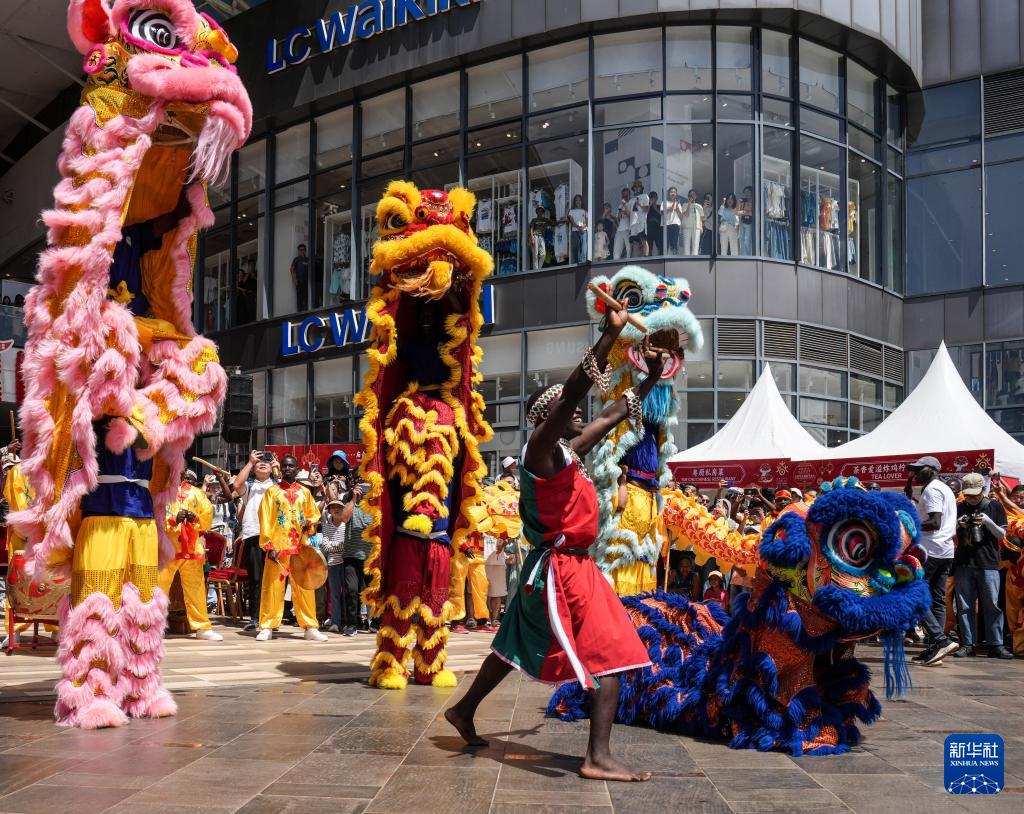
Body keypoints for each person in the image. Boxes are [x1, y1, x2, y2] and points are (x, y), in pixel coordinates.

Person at [444, 299, 661, 783]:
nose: (580, 412)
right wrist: (610, 334)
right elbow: (576, 392)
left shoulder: (568, 452)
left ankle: (462, 710)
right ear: (549, 418)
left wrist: (650, 376)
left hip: (562, 568)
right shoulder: (539, 452)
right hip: (561, 571)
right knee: (613, 650)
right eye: (568, 409)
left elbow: (615, 413)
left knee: (513, 644)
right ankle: (597, 757)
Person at [255, 456, 328, 642]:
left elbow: (314, 515)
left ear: (297, 469)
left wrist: (309, 522)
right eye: (284, 466)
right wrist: (268, 545)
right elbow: (265, 519)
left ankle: (310, 626)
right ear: (280, 469)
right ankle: (267, 626)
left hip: (301, 548)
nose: (287, 468)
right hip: (278, 548)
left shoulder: (305, 492)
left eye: (291, 466)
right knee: (273, 587)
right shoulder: (272, 492)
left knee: (304, 587)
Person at [906, 456, 960, 666]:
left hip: (930, 550)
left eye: (919, 469)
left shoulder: (932, 489)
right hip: (945, 551)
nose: (915, 473)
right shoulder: (944, 488)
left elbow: (935, 522)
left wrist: (909, 526)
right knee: (937, 599)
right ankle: (937, 649)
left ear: (932, 470)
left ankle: (940, 640)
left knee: (913, 594)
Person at [953, 473, 1013, 659]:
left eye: (975, 495)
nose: (971, 499)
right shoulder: (958, 507)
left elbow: (1002, 535)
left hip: (988, 562)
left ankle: (996, 644)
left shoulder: (995, 506)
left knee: (992, 605)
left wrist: (987, 522)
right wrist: (958, 525)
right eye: (968, 495)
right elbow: (948, 532)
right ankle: (968, 644)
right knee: (964, 606)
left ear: (983, 491)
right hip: (964, 562)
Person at [158, 469, 222, 641]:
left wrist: (195, 518)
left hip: (192, 548)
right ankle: (154, 626)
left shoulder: (198, 494)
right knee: (159, 588)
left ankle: (202, 627)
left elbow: (207, 517)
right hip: (168, 548)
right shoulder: (163, 492)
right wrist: (173, 520)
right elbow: (156, 515)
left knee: (196, 589)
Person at [108, 188, 190, 317]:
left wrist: (190, 181)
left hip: (138, 315)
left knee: (166, 327)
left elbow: (177, 215)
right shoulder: (86, 244)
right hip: (105, 318)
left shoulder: (130, 235)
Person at [233, 450, 277, 631]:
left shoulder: (277, 486)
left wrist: (278, 470)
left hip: (274, 537)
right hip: (254, 535)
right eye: (259, 461)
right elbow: (236, 484)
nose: (263, 463)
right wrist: (250, 462)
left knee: (273, 580)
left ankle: (272, 618)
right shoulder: (249, 486)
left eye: (267, 461)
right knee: (256, 578)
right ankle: (255, 617)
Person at [320, 497, 355, 634]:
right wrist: (339, 546)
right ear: (329, 510)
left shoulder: (346, 525)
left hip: (346, 562)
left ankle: (346, 623)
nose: (336, 509)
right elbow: (325, 546)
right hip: (333, 563)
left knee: (347, 593)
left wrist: (335, 546)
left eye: (339, 507)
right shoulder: (326, 526)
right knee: (334, 594)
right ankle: (335, 622)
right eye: (333, 507)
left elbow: (347, 544)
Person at [343, 481, 372, 633]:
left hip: (370, 556)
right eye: (361, 485)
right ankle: (351, 624)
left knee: (373, 590)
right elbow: (344, 518)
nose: (364, 488)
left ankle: (375, 622)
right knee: (351, 590)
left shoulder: (375, 505)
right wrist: (353, 498)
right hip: (351, 555)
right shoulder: (350, 502)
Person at [628, 181, 649, 258]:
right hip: (633, 223)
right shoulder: (631, 200)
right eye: (635, 187)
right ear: (633, 189)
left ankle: (646, 257)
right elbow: (629, 214)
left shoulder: (645, 196)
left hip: (641, 221)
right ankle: (635, 259)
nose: (637, 189)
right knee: (635, 241)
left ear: (641, 188)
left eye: (638, 187)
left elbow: (646, 209)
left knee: (644, 239)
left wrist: (639, 204)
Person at [680, 189, 704, 256]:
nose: (692, 196)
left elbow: (701, 218)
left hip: (696, 227)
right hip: (687, 226)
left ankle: (695, 259)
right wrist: (689, 204)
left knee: (695, 246)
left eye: (693, 194)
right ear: (688, 196)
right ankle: (686, 259)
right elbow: (686, 214)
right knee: (686, 246)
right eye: (690, 195)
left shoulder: (699, 206)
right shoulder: (685, 205)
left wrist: (701, 227)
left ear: (696, 196)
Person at [567, 195, 588, 264]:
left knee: (583, 246)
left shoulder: (585, 211)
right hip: (575, 230)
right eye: (576, 200)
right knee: (575, 246)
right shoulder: (571, 211)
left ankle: (583, 261)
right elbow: (571, 221)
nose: (578, 201)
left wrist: (583, 227)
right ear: (574, 202)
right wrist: (578, 227)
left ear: (582, 201)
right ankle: (575, 261)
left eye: (579, 200)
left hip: (583, 230)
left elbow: (587, 221)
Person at [236, 257, 257, 324]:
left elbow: (256, 278)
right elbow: (243, 282)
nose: (251, 266)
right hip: (247, 295)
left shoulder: (256, 272)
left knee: (253, 310)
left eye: (252, 265)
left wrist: (252, 273)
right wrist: (248, 273)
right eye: (250, 265)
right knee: (247, 310)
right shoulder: (246, 274)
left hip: (254, 294)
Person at [663, 187, 684, 255]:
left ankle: (674, 257)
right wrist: (672, 207)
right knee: (665, 244)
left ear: (676, 194)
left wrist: (677, 209)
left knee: (674, 244)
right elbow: (662, 213)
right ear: (669, 193)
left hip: (676, 225)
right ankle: (665, 257)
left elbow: (681, 217)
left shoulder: (679, 204)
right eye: (671, 192)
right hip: (666, 225)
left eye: (674, 192)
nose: (673, 193)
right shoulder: (664, 202)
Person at [291, 243, 309, 312]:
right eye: (300, 250)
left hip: (307, 282)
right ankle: (299, 313)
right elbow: (292, 269)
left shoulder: (308, 259)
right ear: (298, 251)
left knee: (306, 298)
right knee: (300, 299)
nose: (302, 251)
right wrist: (294, 280)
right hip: (299, 281)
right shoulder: (296, 259)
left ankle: (306, 312)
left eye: (303, 250)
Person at [614, 188, 631, 259]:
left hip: (628, 229)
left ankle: (629, 263)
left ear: (629, 195)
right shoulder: (620, 206)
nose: (624, 198)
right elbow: (617, 218)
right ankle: (616, 264)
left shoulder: (631, 203)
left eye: (626, 196)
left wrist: (625, 206)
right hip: (620, 230)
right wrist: (620, 213)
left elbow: (630, 216)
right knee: (616, 251)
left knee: (629, 250)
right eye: (623, 197)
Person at [738, 185, 754, 255]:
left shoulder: (754, 201)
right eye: (745, 192)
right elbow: (738, 212)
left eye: (748, 192)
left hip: (750, 223)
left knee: (747, 240)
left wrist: (745, 212)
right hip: (742, 222)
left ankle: (748, 256)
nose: (747, 194)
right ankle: (742, 255)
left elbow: (753, 213)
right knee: (741, 240)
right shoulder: (742, 201)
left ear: (751, 192)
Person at [646, 191, 662, 255]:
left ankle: (661, 258)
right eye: (651, 197)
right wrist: (649, 205)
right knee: (649, 245)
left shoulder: (659, 206)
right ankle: (649, 258)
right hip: (649, 227)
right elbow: (645, 215)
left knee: (659, 245)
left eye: (654, 197)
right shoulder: (647, 207)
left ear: (657, 198)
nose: (653, 198)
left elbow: (663, 215)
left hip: (658, 227)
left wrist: (655, 208)